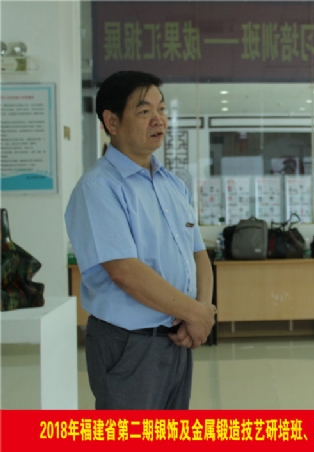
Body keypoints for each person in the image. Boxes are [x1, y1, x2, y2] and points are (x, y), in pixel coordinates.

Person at [65, 71, 216, 409]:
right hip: (129, 344)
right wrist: (196, 313)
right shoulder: (99, 187)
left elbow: (198, 255)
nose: (158, 119)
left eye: (161, 109)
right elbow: (125, 272)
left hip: (176, 338)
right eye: (144, 111)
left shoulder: (172, 185)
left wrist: (201, 311)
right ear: (112, 122)